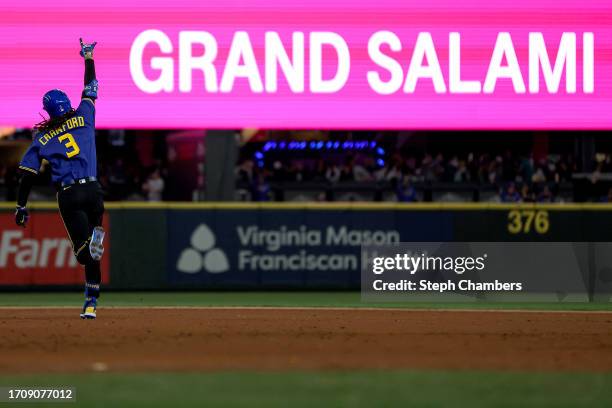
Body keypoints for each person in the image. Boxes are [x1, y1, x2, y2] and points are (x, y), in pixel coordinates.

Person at [15, 38, 104, 319]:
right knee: (94, 251)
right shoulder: (85, 114)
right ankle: (91, 301)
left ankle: (89, 258)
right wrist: (88, 56)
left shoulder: (42, 137)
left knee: (82, 254)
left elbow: (26, 175)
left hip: (69, 194)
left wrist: (20, 206)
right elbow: (91, 86)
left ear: (48, 111)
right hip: (94, 190)